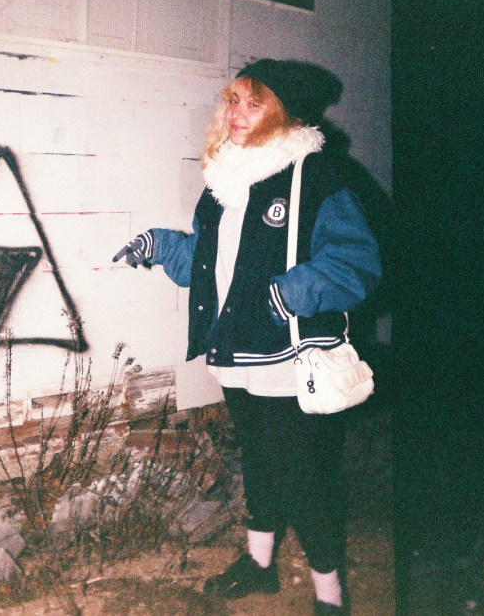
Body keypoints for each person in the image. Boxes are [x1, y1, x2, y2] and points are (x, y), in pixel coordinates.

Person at [113, 59, 382, 615]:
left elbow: (356, 261)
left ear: (284, 113)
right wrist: (160, 245)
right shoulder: (224, 181)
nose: (237, 113)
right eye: (233, 100)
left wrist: (289, 295)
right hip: (236, 351)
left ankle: (330, 595)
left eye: (254, 103)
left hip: (288, 356)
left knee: (305, 478)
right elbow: (209, 262)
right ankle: (259, 565)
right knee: (258, 462)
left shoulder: (317, 176)